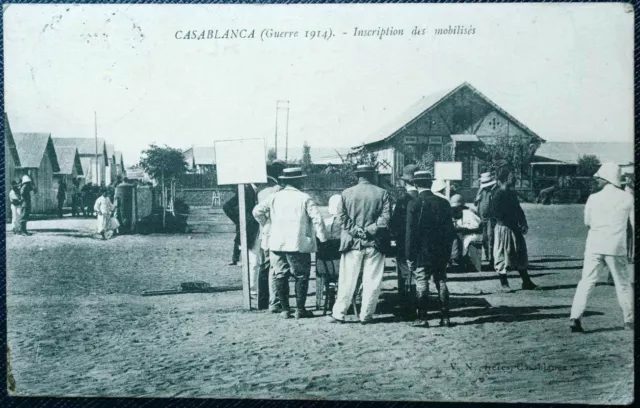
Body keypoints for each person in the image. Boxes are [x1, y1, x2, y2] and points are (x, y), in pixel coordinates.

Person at [253, 167, 328, 319]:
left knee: (280, 275)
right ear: (296, 181)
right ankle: (300, 310)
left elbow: (257, 211)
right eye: (300, 179)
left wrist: (267, 222)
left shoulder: (274, 197)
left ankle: (285, 310)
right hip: (297, 244)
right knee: (301, 276)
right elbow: (317, 219)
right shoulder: (304, 198)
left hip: (277, 244)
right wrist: (322, 238)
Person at [569, 163, 634, 332]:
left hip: (594, 244)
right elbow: (633, 224)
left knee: (586, 282)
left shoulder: (593, 198)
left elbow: (587, 222)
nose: (597, 181)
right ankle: (629, 320)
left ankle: (575, 317)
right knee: (623, 284)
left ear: (606, 178)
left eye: (599, 178)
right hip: (616, 246)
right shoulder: (628, 197)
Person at [328, 164, 391, 324]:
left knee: (347, 279)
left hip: (352, 242)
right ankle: (366, 315)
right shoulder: (382, 193)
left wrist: (356, 230)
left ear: (358, 176)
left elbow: (341, 217)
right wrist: (369, 230)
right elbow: (385, 218)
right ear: (372, 175)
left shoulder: (346, 193)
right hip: (374, 242)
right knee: (372, 280)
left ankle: (339, 313)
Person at [405, 171, 455, 327]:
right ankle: (445, 317)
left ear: (415, 184)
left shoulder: (414, 203)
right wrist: (447, 252)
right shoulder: (444, 203)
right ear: (431, 183)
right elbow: (450, 232)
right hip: (440, 250)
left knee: (422, 282)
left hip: (421, 251)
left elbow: (410, 233)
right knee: (441, 281)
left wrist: (409, 255)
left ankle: (423, 318)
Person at [491, 166, 538, 291]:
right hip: (504, 229)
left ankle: (526, 281)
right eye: (512, 176)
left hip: (514, 229)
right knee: (502, 255)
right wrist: (510, 222)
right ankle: (504, 283)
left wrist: (523, 223)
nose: (515, 178)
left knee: (521, 254)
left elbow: (518, 209)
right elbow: (496, 214)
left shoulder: (511, 193)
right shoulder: (498, 195)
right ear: (505, 179)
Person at [389, 164, 419, 317]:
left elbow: (394, 224)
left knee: (404, 273)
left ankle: (406, 302)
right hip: (424, 245)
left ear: (406, 182)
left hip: (404, 243)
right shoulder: (426, 198)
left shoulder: (402, 201)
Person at [256, 160, 286, 313]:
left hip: (264, 232)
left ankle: (262, 299)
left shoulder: (261, 189)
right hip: (276, 231)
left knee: (264, 265)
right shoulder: (277, 189)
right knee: (275, 267)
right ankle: (274, 301)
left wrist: (263, 223)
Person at [223, 181, 261, 293]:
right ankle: (253, 289)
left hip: (257, 226)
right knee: (253, 259)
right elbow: (227, 206)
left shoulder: (259, 189)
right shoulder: (245, 190)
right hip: (248, 225)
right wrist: (239, 220)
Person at [450, 194, 483, 269]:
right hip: (463, 234)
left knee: (464, 243)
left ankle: (462, 259)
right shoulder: (455, 212)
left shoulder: (469, 212)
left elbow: (477, 226)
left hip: (472, 234)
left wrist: (462, 228)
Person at [474, 172, 498, 269]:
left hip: (490, 219)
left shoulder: (494, 191)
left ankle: (492, 259)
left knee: (491, 238)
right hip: (481, 218)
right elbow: (475, 202)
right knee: (484, 239)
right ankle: (488, 256)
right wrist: (477, 199)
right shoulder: (481, 190)